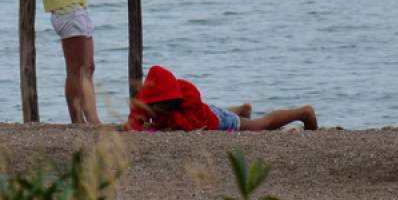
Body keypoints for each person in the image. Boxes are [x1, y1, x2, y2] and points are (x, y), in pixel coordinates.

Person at [124, 65, 317, 132]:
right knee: (216, 110)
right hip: (208, 111)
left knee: (260, 125)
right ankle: (242, 109)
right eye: (158, 108)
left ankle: (303, 112)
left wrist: (159, 125)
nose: (159, 113)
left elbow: (189, 127)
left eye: (166, 108)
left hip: (215, 120)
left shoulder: (187, 98)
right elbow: (132, 124)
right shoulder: (146, 99)